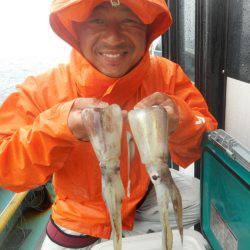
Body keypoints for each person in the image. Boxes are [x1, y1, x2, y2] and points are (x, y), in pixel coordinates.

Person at [0, 0, 217, 249]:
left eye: (129, 20)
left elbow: (205, 134)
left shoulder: (166, 76)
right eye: (97, 20)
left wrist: (181, 120)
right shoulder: (43, 89)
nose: (113, 38)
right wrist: (61, 128)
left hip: (144, 196)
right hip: (80, 221)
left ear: (148, 31)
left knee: (217, 202)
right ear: (75, 30)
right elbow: (6, 167)